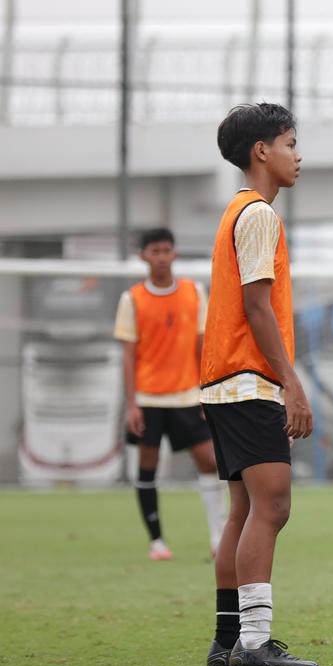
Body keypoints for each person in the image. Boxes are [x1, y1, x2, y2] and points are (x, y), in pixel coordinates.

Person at [202, 103, 317, 666]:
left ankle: (227, 639)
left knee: (243, 511)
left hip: (223, 382)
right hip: (250, 382)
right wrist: (291, 384)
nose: (299, 155)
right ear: (261, 152)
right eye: (291, 143)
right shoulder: (260, 216)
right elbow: (257, 307)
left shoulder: (236, 212)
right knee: (272, 507)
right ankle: (253, 641)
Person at [114, 228, 225, 561]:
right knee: (148, 466)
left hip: (188, 397)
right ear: (143, 256)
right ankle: (157, 542)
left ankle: (219, 539)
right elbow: (128, 354)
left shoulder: (194, 291)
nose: (161, 256)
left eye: (166, 250)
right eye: (155, 251)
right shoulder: (132, 299)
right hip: (149, 399)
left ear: (174, 254)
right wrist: (131, 404)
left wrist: (207, 391)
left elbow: (202, 345)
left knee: (209, 461)